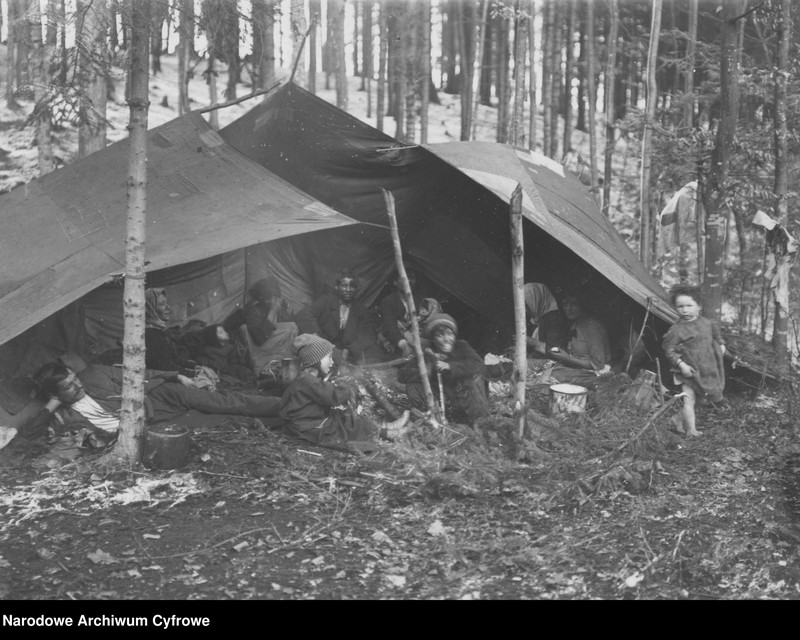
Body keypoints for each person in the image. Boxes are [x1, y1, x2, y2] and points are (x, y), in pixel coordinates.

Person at [26, 361, 282, 440]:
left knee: (226, 403)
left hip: (164, 395)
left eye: (74, 378)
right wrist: (51, 404)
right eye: (68, 387)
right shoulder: (68, 416)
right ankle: (289, 418)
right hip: (157, 422)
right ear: (56, 394)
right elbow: (29, 434)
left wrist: (174, 375)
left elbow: (136, 372)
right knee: (223, 421)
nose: (78, 385)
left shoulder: (93, 374)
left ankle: (288, 406)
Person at [279, 334, 410, 444]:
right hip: (309, 428)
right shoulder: (308, 381)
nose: (331, 362)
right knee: (349, 426)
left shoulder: (305, 378)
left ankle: (388, 427)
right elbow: (334, 396)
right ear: (316, 360)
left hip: (308, 423)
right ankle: (389, 433)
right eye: (329, 357)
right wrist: (346, 386)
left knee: (347, 419)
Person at [398, 313, 490, 426]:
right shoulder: (428, 352)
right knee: (413, 387)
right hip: (442, 403)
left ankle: (481, 422)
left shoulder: (461, 346)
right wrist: (426, 372)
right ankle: (431, 419)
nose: (446, 339)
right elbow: (402, 374)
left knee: (475, 378)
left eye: (450, 334)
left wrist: (450, 366)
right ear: (433, 339)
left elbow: (479, 365)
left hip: (466, 398)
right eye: (440, 335)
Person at [662, 285, 726, 437]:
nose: (685, 310)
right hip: (689, 370)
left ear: (699, 306)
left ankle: (676, 419)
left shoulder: (708, 323)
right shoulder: (677, 330)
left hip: (707, 369)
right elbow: (668, 349)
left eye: (689, 306)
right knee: (688, 400)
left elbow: (716, 336)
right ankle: (691, 430)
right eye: (680, 306)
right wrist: (681, 364)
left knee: (701, 400)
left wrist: (721, 345)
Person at [224, 277, 298, 376]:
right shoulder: (253, 311)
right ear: (262, 298)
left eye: (277, 297)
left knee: (292, 327)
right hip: (259, 352)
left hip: (280, 352)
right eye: (271, 298)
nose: (275, 300)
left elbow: (289, 333)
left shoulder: (282, 307)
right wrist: (273, 311)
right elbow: (259, 339)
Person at [311, 269, 381, 364]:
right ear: (336, 286)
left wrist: (349, 350)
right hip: (323, 349)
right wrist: (315, 334)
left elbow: (368, 335)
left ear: (356, 289)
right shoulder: (325, 301)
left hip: (349, 353)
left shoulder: (361, 309)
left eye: (352, 286)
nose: (348, 290)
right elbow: (306, 314)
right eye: (344, 286)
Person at [547, 291, 612, 388]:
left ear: (582, 305)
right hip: (580, 372)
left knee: (553, 377)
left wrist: (567, 358)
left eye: (573, 304)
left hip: (596, 375)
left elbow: (598, 365)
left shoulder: (592, 327)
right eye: (565, 304)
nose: (568, 308)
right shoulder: (575, 324)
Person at [144, 287, 192, 373]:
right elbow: (164, 367)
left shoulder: (157, 331)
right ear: (150, 309)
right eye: (162, 304)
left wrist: (195, 366)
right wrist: (192, 373)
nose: (168, 307)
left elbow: (173, 359)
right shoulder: (150, 335)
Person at [523, 283, 568, 354]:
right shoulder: (538, 319)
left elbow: (557, 352)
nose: (525, 310)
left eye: (527, 305)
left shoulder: (553, 319)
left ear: (537, 300)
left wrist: (533, 343)